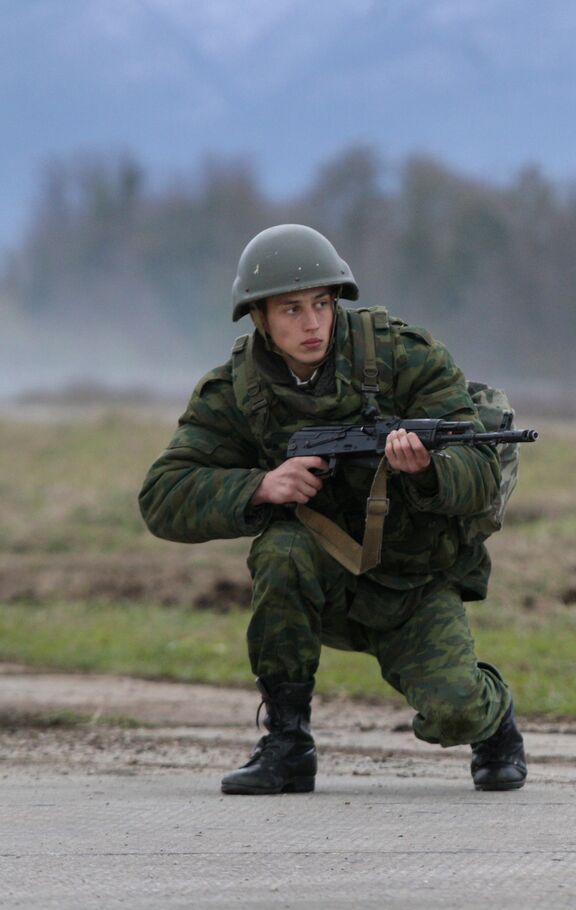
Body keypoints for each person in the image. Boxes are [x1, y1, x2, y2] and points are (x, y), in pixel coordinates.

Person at [138, 224, 527, 795]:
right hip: (317, 580)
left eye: (321, 304)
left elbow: (478, 472)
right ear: (259, 317)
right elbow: (162, 495)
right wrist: (260, 487)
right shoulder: (237, 391)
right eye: (291, 309)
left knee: (454, 711)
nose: (312, 323)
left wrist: (425, 469)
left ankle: (494, 722)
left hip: (413, 582)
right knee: (282, 548)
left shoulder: (404, 358)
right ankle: (287, 744)